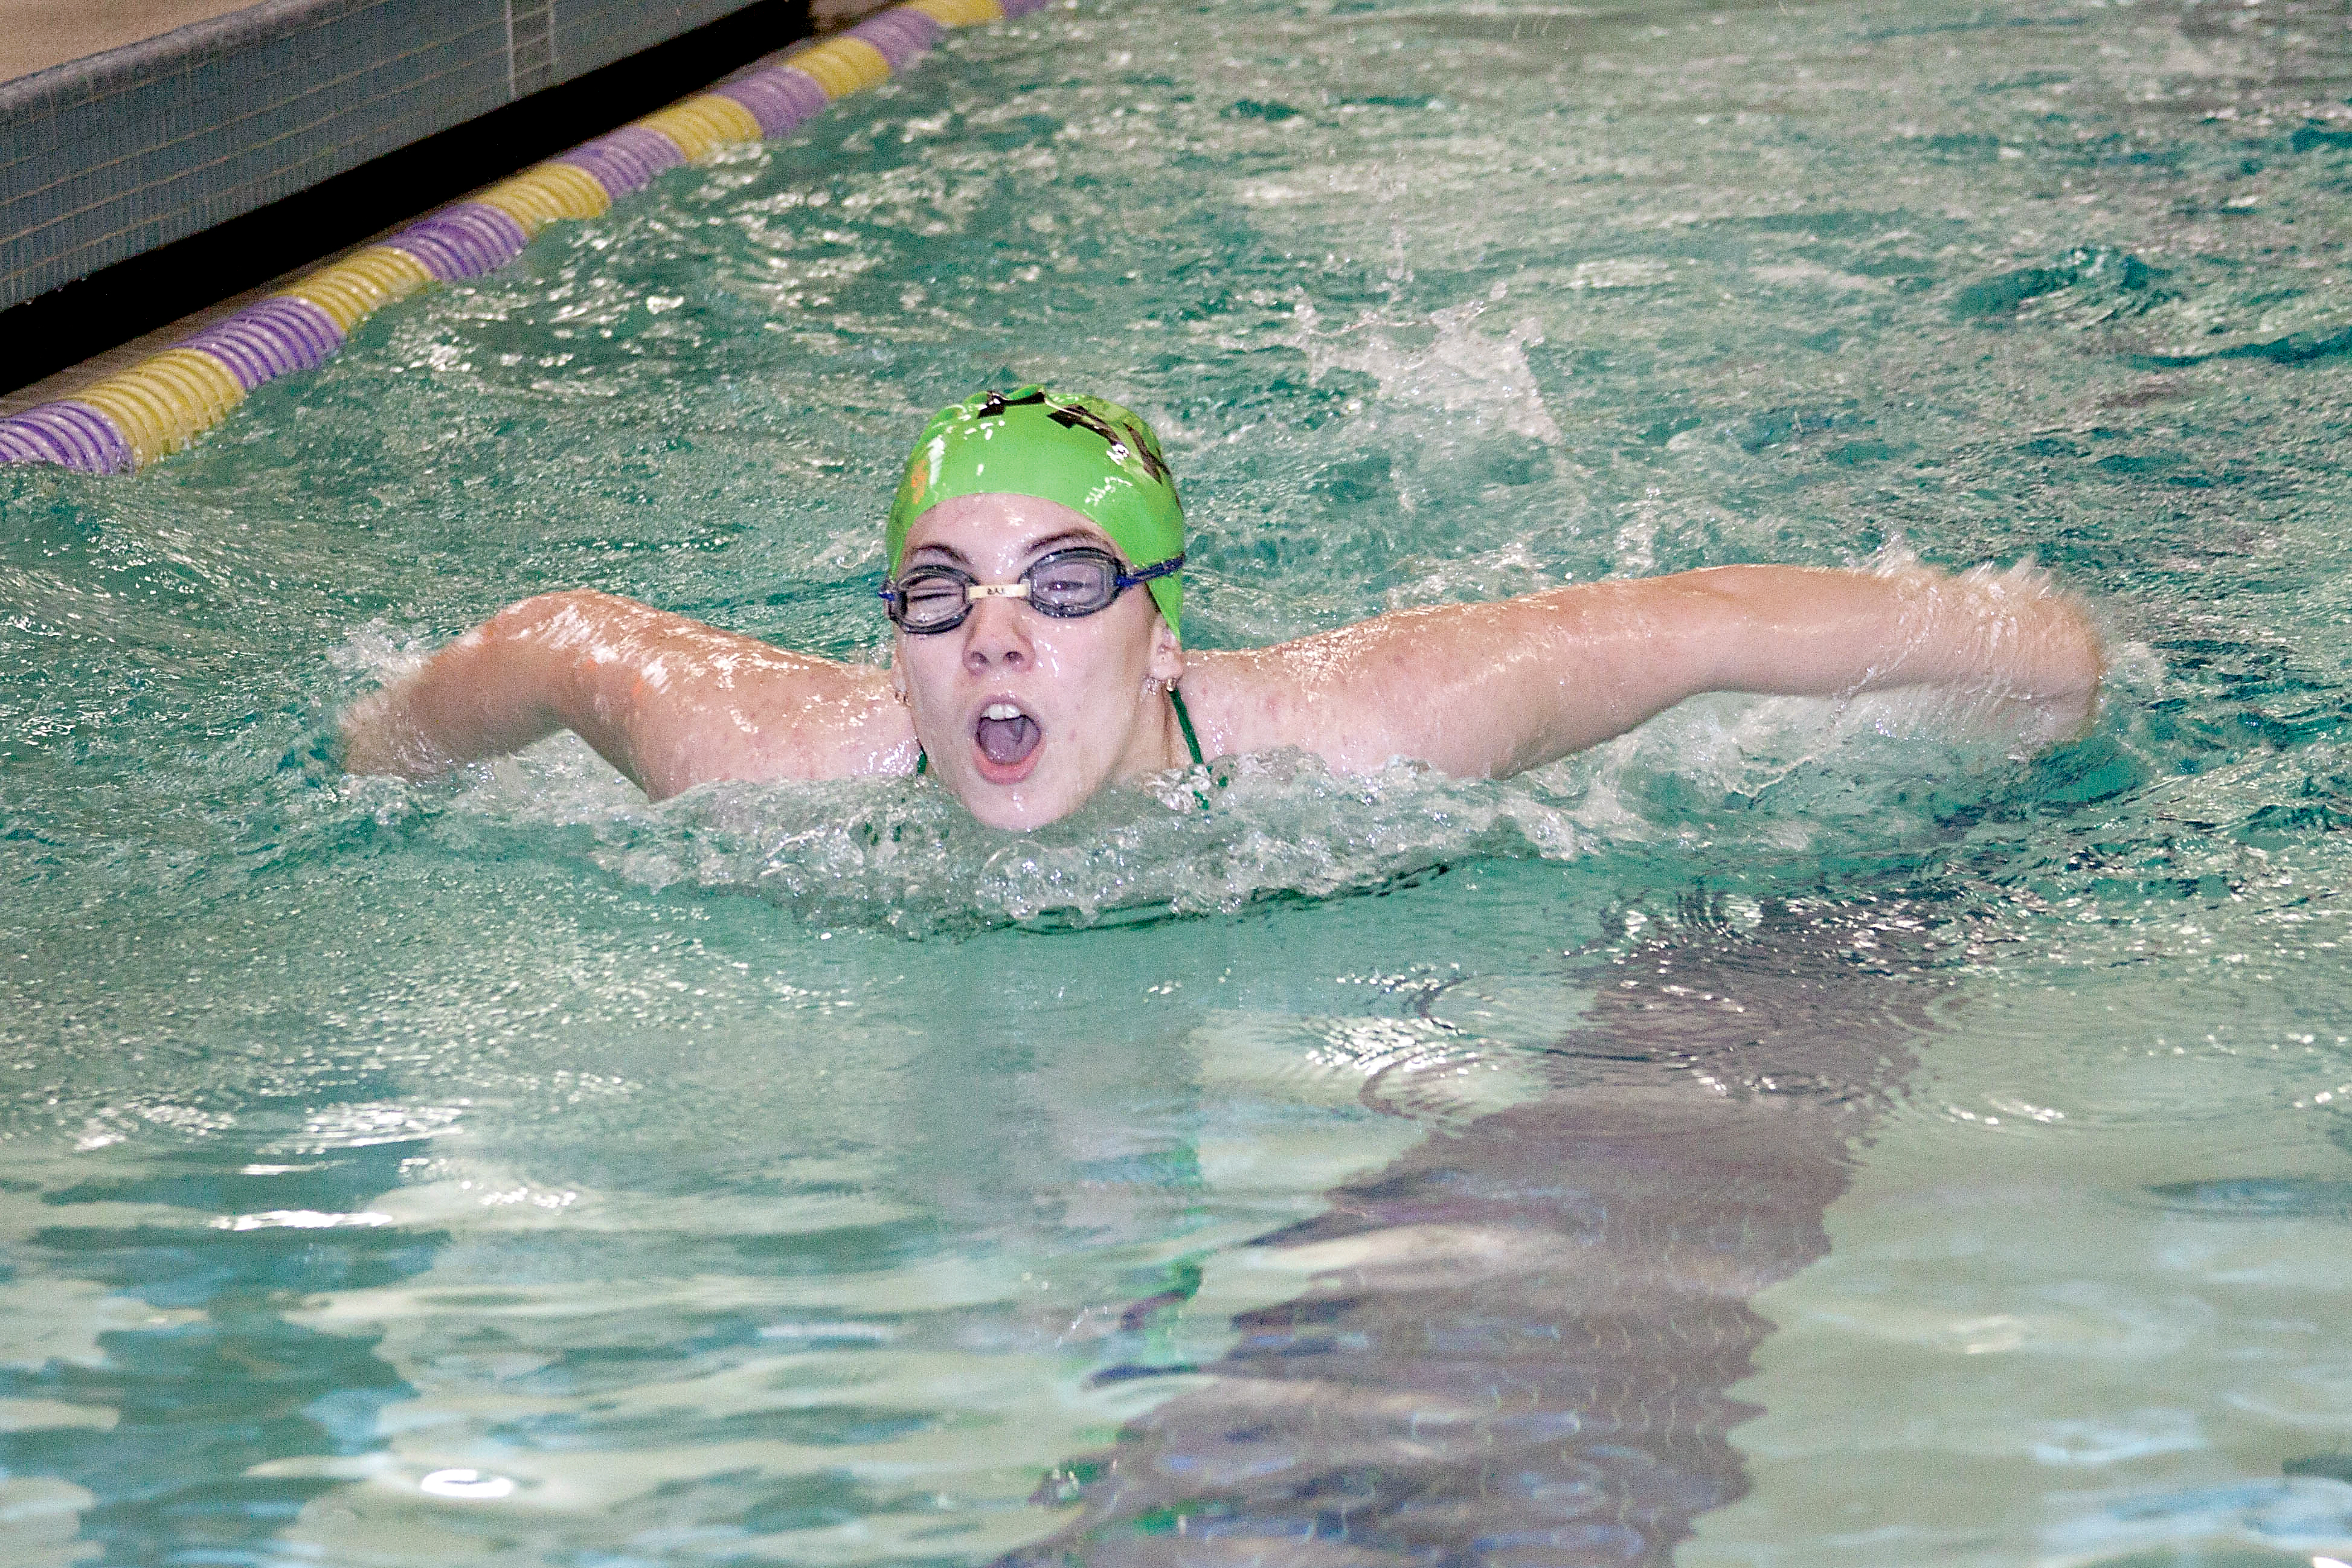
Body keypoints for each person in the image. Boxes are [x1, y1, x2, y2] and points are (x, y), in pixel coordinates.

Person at [338, 385, 2106, 830]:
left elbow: (1693, 619)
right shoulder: (766, 761)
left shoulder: (1368, 722)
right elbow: (555, 642)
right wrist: (366, 771)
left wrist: (2025, 648)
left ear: (1162, 629)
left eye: (1067, 584)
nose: (998, 642)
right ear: (893, 637)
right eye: (940, 597)